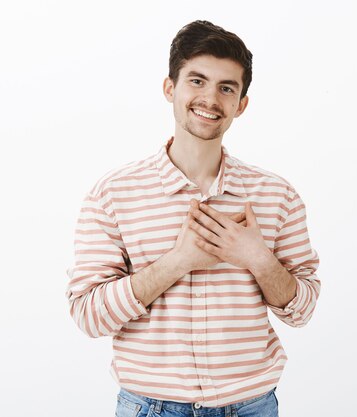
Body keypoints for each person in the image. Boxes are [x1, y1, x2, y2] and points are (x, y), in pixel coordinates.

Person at [65, 20, 321, 417]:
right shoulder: (113, 194)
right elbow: (89, 315)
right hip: (151, 408)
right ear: (170, 88)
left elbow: (302, 310)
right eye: (197, 81)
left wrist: (258, 258)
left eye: (226, 87)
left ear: (241, 104)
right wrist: (178, 262)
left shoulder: (276, 195)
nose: (210, 99)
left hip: (252, 406)